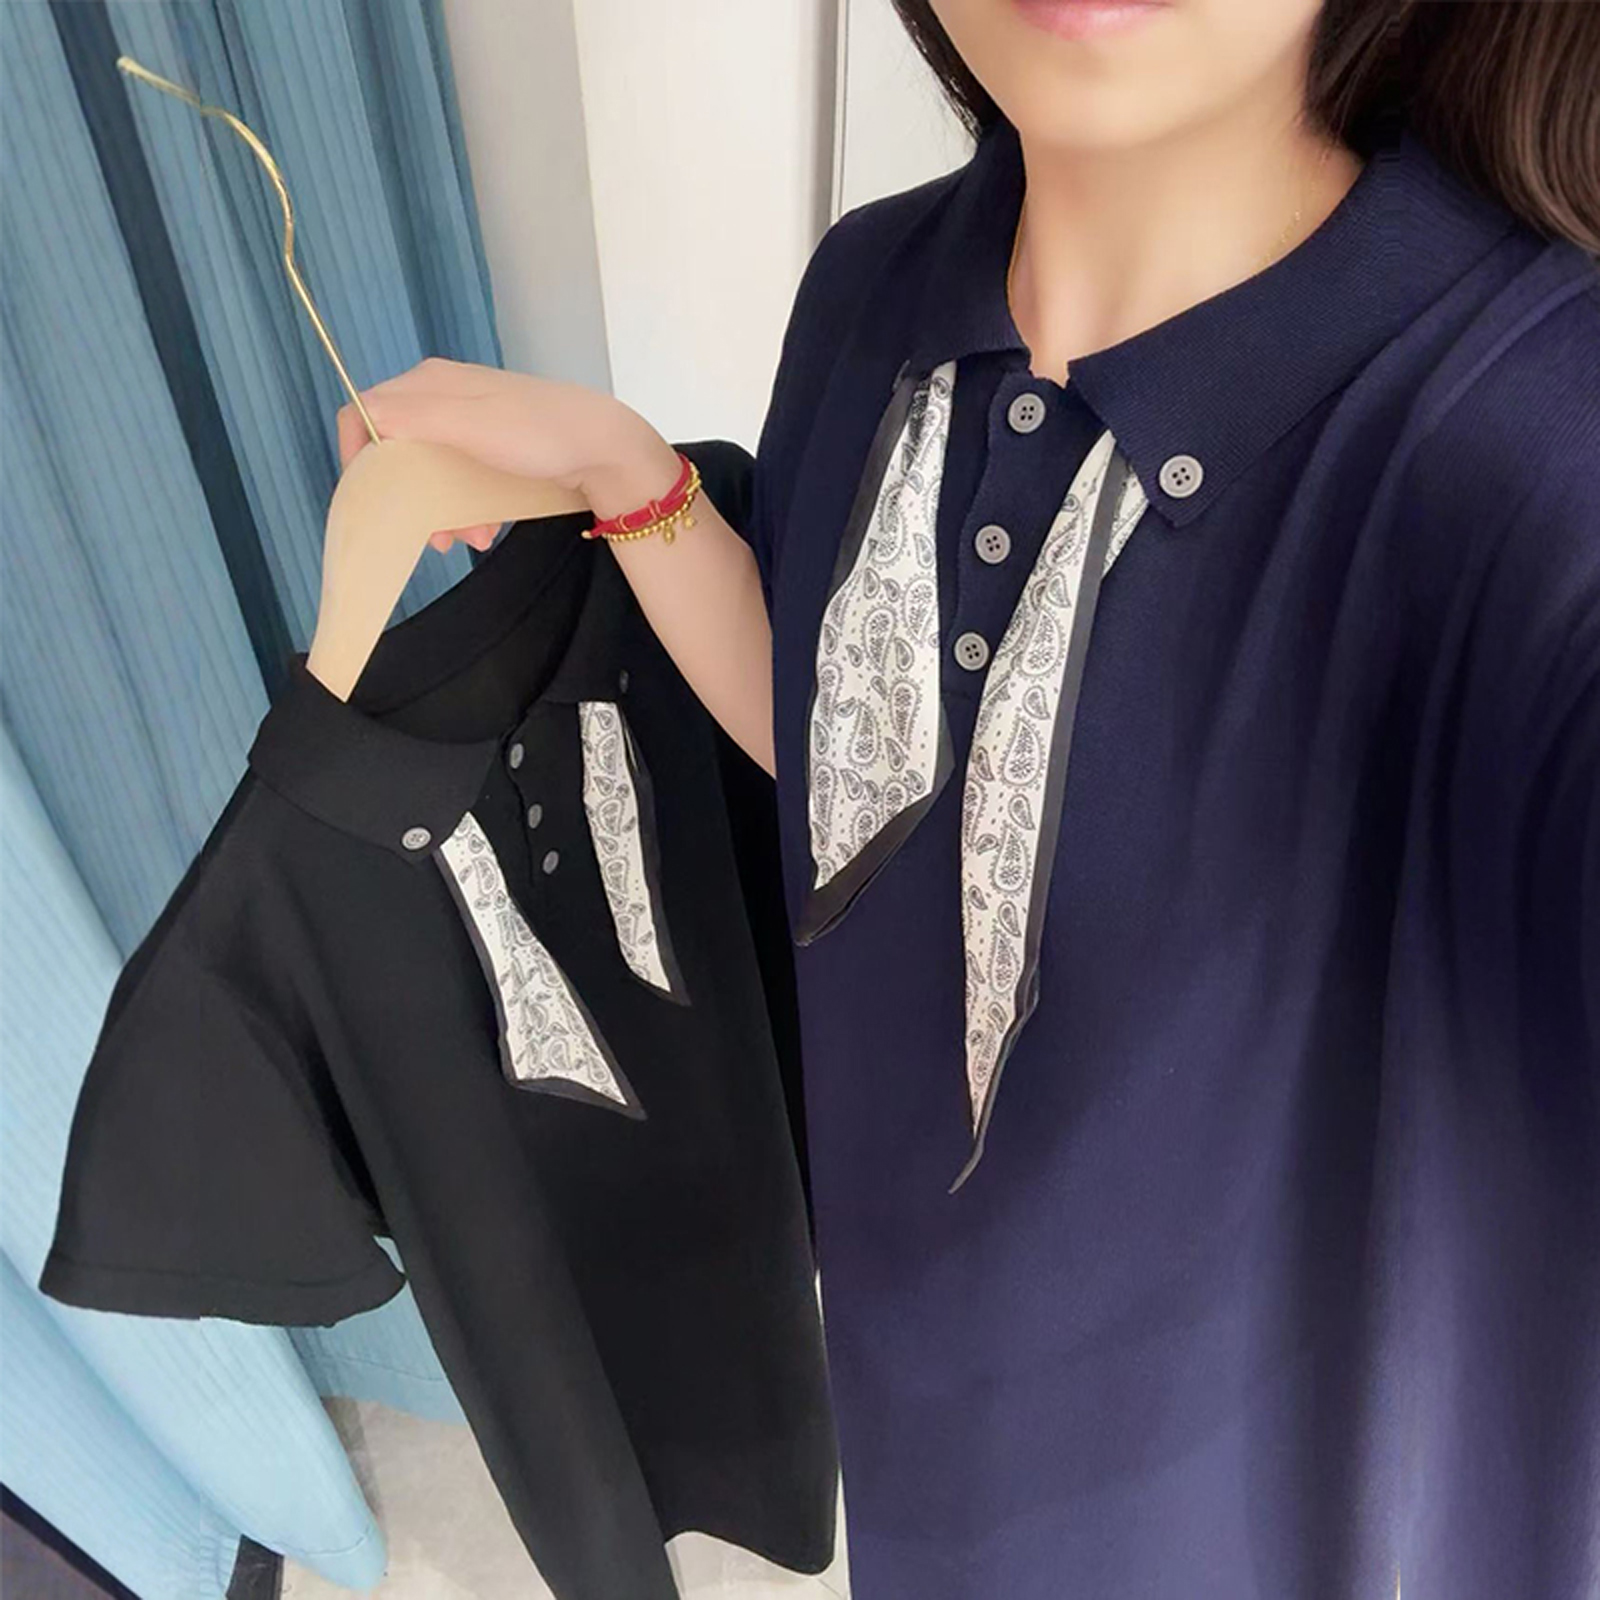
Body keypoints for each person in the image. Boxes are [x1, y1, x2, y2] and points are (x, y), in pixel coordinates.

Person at [337, 2, 1600, 1595]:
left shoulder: (1538, 450)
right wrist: (630, 481)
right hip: (925, 1436)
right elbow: (866, 766)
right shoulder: (873, 287)